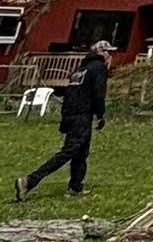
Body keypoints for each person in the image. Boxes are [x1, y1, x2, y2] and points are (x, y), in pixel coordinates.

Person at [14, 40, 111, 203]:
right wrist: (100, 114)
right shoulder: (98, 68)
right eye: (108, 51)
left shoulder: (80, 70)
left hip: (70, 114)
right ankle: (29, 181)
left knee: (81, 151)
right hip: (82, 115)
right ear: (101, 52)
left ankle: (75, 186)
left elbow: (70, 94)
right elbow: (98, 92)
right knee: (69, 151)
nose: (110, 55)